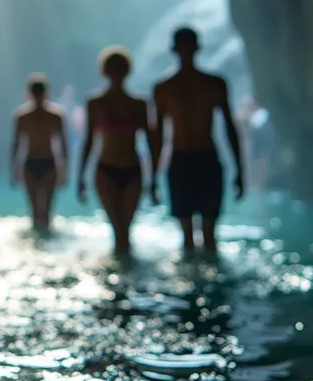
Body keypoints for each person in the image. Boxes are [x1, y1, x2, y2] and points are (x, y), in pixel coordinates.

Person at [152, 27, 245, 255]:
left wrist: (240, 169)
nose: (185, 51)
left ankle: (207, 282)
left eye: (188, 45)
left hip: (207, 158)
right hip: (181, 159)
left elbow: (230, 127)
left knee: (210, 235)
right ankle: (193, 284)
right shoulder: (164, 88)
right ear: (175, 49)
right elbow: (157, 135)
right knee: (187, 237)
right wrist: (152, 176)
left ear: (196, 48)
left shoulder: (215, 84)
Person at [78, 46, 155, 257]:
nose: (116, 72)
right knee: (117, 229)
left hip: (133, 169)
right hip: (105, 169)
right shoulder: (95, 102)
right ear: (105, 70)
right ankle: (120, 274)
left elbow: (150, 140)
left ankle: (125, 274)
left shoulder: (139, 104)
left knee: (126, 229)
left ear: (126, 70)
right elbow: (89, 140)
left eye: (119, 67)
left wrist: (155, 176)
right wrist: (81, 177)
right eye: (112, 67)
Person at [10, 74, 68, 233]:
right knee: (35, 209)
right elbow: (15, 144)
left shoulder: (56, 115)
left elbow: (64, 146)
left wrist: (64, 170)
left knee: (47, 210)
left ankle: (45, 240)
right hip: (31, 163)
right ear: (30, 94)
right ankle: (38, 242)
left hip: (49, 163)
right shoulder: (22, 116)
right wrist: (14, 170)